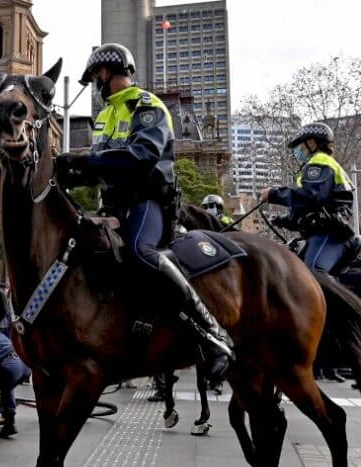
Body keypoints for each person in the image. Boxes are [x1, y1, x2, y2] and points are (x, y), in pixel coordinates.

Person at [55, 42, 233, 380]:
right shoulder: (106, 115)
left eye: (95, 76)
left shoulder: (146, 106)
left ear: (105, 72)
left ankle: (213, 335)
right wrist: (66, 172)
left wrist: (86, 160)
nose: (95, 84)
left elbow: (142, 155)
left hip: (147, 202)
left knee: (139, 251)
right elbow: (98, 167)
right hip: (113, 206)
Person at [259, 122, 357, 277]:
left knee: (313, 273)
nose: (298, 150)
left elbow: (310, 197)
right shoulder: (314, 165)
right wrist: (281, 220)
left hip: (329, 233)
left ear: (312, 142)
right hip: (318, 231)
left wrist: (272, 194)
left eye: (300, 145)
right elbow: (306, 210)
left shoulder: (320, 161)